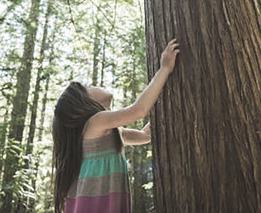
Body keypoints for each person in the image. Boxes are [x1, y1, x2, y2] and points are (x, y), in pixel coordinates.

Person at [52, 38, 181, 213]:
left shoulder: (107, 131)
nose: (94, 85)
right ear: (82, 103)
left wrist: (156, 124)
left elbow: (139, 136)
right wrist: (165, 68)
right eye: (88, 86)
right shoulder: (94, 122)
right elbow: (138, 110)